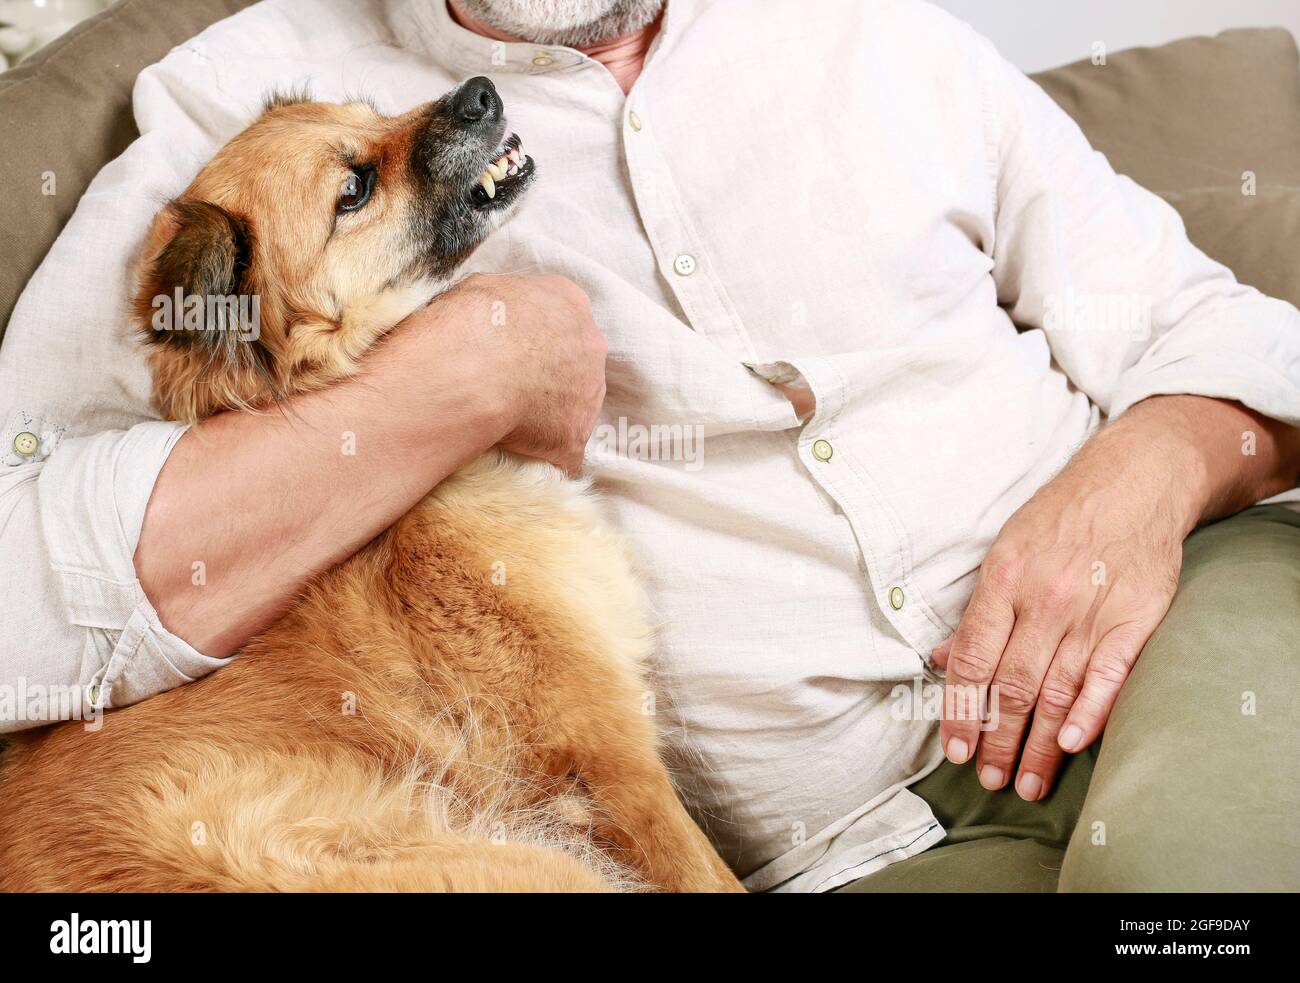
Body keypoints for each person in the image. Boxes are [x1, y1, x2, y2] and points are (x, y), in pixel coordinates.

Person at [1, 0, 1297, 892]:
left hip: (1173, 626)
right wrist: (470, 370)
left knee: (1207, 884)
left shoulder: (873, 33)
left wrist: (1158, 469)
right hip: (856, 849)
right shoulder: (239, 105)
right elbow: (20, 604)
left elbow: (1215, 325)